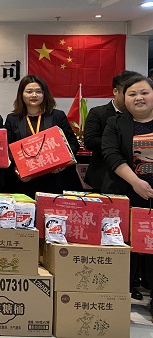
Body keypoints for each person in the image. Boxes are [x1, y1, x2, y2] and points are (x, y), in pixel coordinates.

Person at [101, 75, 153, 315]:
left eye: (144, 93)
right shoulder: (115, 123)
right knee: (124, 247)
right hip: (126, 193)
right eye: (132, 94)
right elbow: (111, 154)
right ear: (124, 98)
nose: (138, 98)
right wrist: (136, 183)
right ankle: (119, 299)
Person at [4, 74, 81, 199]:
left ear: (45, 94)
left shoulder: (57, 116)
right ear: (21, 94)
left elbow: (73, 143)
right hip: (25, 181)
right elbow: (7, 149)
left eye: (38, 91)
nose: (34, 95)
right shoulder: (13, 119)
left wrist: (63, 163)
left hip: (55, 179)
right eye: (29, 91)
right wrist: (16, 168)